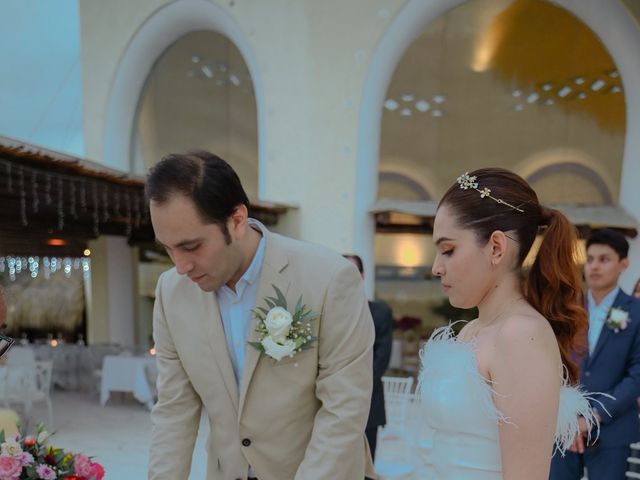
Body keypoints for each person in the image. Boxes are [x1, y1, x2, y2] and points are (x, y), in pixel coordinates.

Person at [146, 151, 375, 480]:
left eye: (192, 246)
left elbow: (343, 410)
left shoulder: (329, 278)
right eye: (168, 249)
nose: (180, 266)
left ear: (237, 220)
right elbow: (173, 411)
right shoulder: (171, 292)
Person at [419, 168, 590, 479]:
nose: (436, 268)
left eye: (448, 250)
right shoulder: (472, 330)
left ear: (496, 247)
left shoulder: (521, 335)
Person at [550, 229, 640, 480]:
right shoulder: (567, 309)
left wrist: (592, 417)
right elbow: (552, 364)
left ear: (624, 264)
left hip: (612, 428)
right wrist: (567, 416)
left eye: (604, 259)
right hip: (563, 427)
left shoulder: (636, 311)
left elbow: (637, 376)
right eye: (590, 259)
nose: (594, 267)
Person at [343, 254, 393, 462]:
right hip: (331, 406)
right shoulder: (327, 312)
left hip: (368, 403)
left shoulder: (380, 312)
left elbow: (381, 358)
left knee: (366, 468)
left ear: (362, 275)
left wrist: (351, 386)